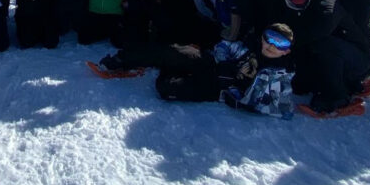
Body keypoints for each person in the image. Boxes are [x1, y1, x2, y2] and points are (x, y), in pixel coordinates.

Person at [100, 24, 296, 118]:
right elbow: (225, 45)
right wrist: (221, 56)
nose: (271, 46)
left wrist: (243, 96)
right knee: (172, 51)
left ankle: (170, 67)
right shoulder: (250, 50)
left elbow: (283, 110)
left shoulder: (279, 75)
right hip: (210, 64)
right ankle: (120, 60)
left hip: (214, 88)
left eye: (280, 44)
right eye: (269, 38)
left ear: (286, 50)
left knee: (166, 89)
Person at [278, 0, 370, 114]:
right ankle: (334, 83)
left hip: (356, 58)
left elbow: (324, 25)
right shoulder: (293, 8)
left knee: (322, 43)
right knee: (300, 84)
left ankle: (336, 96)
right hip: (332, 59)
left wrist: (291, 43)